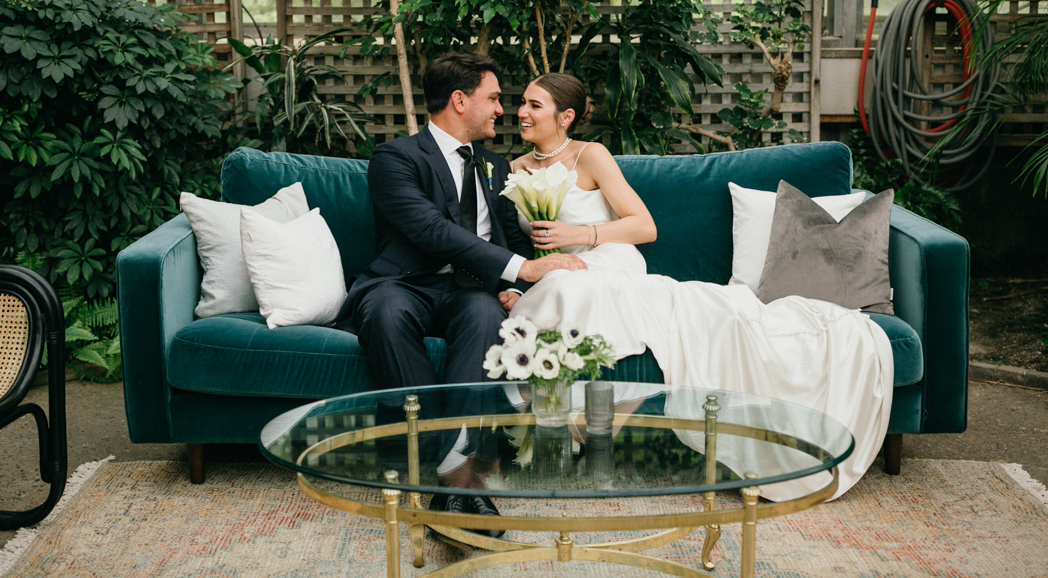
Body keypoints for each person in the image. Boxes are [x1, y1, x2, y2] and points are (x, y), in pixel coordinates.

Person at [505, 73, 895, 501]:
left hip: (608, 261)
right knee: (560, 282)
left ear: (566, 117)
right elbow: (506, 245)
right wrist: (523, 278)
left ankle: (575, 434)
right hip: (557, 269)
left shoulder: (591, 156)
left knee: (572, 287)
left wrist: (579, 234)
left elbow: (644, 226)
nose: (521, 112)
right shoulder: (513, 170)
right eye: (522, 103)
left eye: (533, 105)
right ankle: (570, 432)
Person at [336, 52, 586, 532]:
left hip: (467, 291)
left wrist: (518, 285)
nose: (501, 109)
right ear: (458, 100)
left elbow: (509, 241)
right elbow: (430, 230)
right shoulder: (395, 158)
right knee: (386, 313)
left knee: (485, 318)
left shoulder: (494, 165)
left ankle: (447, 476)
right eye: (492, 98)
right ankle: (458, 479)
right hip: (401, 285)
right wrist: (525, 268)